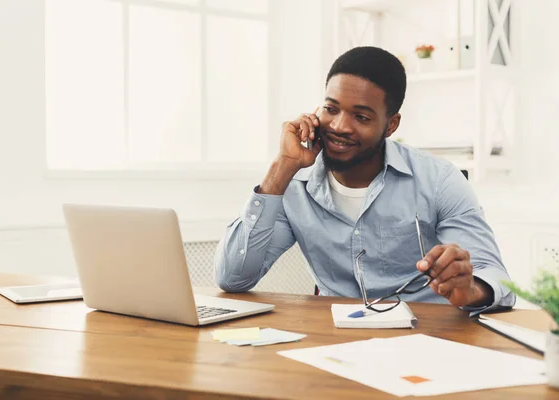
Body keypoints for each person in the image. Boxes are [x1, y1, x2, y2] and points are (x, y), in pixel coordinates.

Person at [214, 46, 515, 313]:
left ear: (391, 124)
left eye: (362, 117)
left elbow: (497, 279)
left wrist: (471, 290)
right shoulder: (294, 184)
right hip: (335, 342)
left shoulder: (439, 180)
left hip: (426, 337)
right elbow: (233, 278)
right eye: (331, 109)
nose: (340, 126)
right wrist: (282, 167)